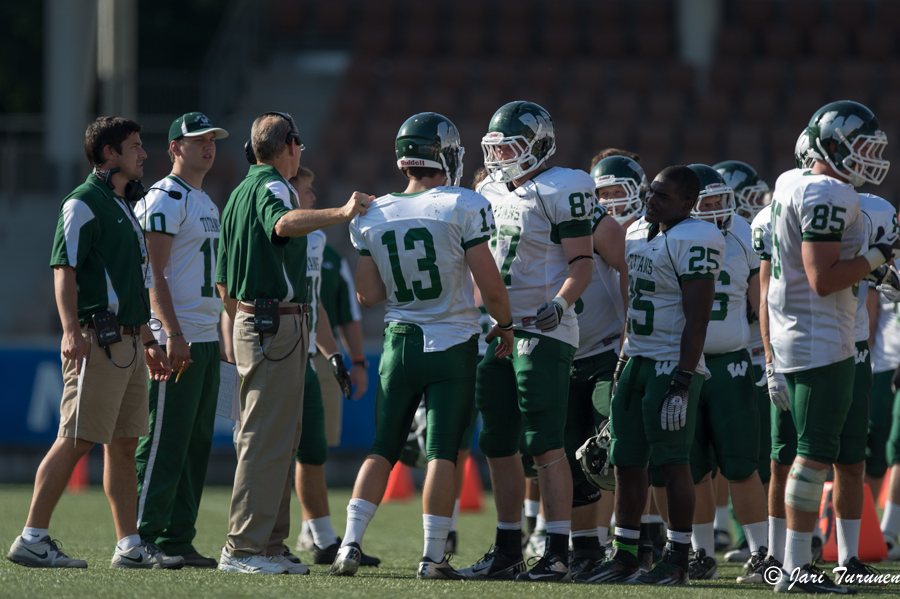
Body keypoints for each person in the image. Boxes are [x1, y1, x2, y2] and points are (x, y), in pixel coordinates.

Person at [329, 112, 513, 579]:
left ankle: (349, 546)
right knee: (442, 453)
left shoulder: (375, 211)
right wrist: (506, 323)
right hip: (452, 343)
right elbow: (490, 288)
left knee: (382, 447)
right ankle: (432, 557)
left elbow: (367, 296)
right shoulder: (462, 204)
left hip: (398, 342)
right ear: (445, 155)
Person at [7, 117, 179, 569]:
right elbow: (63, 271)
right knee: (76, 438)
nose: (144, 154)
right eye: (135, 146)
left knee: (124, 444)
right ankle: (32, 537)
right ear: (109, 154)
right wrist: (69, 331)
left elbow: (132, 284)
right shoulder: (82, 202)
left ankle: (129, 546)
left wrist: (147, 339)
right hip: (96, 338)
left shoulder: (122, 205)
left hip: (126, 342)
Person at [214, 111, 369, 574]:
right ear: (290, 145)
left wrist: (242, 321)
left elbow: (222, 282)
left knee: (279, 439)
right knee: (265, 439)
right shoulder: (272, 187)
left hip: (259, 321)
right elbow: (282, 224)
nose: (301, 153)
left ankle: (268, 543)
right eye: (298, 145)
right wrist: (341, 213)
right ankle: (243, 548)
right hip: (273, 323)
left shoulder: (238, 192)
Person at [458, 101, 594, 583]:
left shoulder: (565, 186)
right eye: (496, 147)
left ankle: (557, 550)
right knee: (497, 442)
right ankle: (508, 548)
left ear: (539, 144)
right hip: (495, 329)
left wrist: (560, 304)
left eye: (512, 145)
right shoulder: (487, 189)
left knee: (544, 443)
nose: (501, 156)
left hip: (544, 327)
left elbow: (583, 262)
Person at [577, 165, 723, 585]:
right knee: (625, 459)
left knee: (672, 461)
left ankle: (677, 558)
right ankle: (624, 554)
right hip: (637, 358)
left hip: (670, 364)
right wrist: (623, 360)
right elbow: (634, 304)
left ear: (687, 204)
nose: (651, 200)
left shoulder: (696, 237)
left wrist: (681, 379)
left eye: (662, 196)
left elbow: (697, 319)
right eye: (651, 192)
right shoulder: (639, 230)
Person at [769, 101, 893, 593]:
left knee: (817, 454)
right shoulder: (828, 192)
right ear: (832, 146)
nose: (867, 160)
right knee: (812, 456)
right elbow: (823, 279)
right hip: (821, 338)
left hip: (795, 335)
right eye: (859, 148)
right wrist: (881, 253)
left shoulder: (789, 182)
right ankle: (797, 568)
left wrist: (876, 269)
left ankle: (800, 563)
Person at [132, 112, 229, 569]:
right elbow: (152, 273)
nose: (208, 146)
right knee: (165, 438)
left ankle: (177, 537)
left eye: (211, 139)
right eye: (197, 140)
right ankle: (141, 537)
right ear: (175, 147)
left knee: (196, 442)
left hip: (206, 336)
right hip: (180, 333)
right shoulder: (166, 197)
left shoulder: (204, 200)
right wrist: (169, 332)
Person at [675, 164, 769, 582]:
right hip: (686, 367)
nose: (715, 211)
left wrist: (769, 356)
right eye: (705, 204)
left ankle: (762, 551)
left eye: (719, 202)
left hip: (731, 362)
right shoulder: (668, 236)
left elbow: (761, 301)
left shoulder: (744, 235)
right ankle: (701, 553)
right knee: (694, 467)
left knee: (741, 464)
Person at [288, 168, 380, 568]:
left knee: (313, 449)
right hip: (274, 352)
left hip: (309, 354)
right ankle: (252, 541)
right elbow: (230, 292)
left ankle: (322, 536)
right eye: (306, 192)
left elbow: (318, 306)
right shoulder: (268, 233)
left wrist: (336, 354)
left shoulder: (318, 242)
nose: (312, 198)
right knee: (267, 451)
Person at [714, 160, 772, 566]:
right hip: (736, 352)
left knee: (763, 451)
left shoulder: (752, 236)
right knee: (732, 454)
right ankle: (730, 530)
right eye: (747, 199)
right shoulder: (726, 238)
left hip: (755, 351)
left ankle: (784, 536)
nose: (755, 207)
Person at [591, 155, 648, 229]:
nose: (610, 199)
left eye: (618, 192)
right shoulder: (590, 236)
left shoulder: (652, 234)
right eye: (604, 193)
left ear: (637, 192)